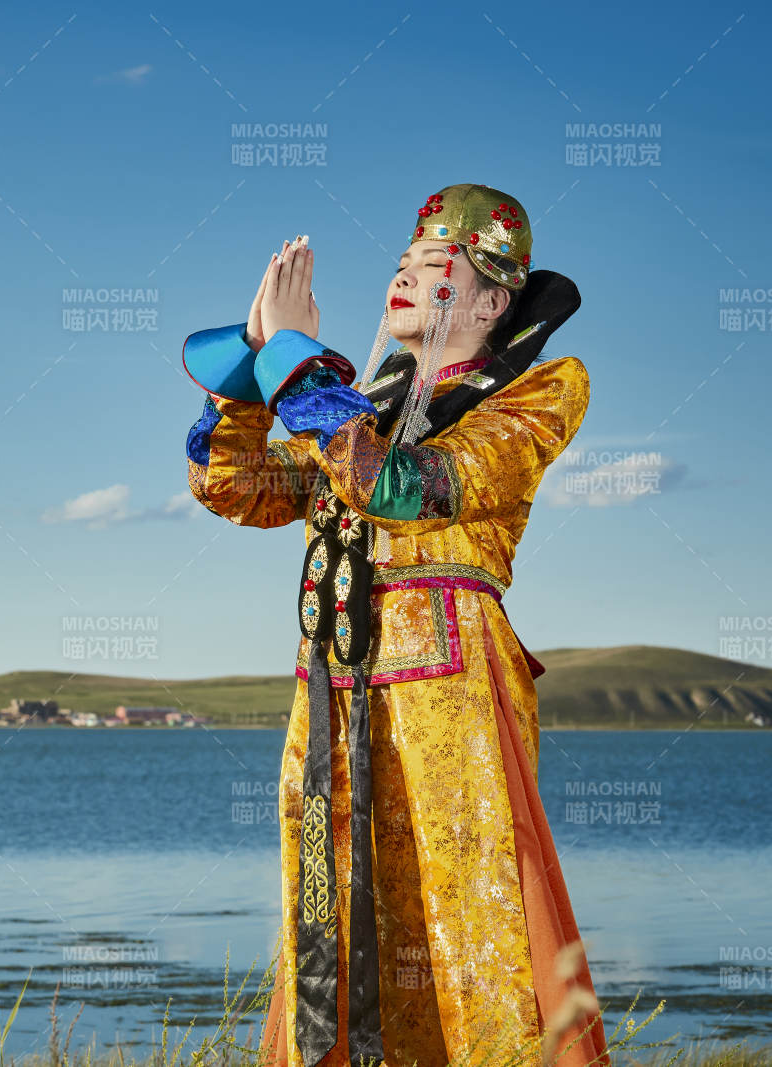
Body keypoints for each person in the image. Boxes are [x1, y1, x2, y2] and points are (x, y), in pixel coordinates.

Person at [182, 184, 610, 1067]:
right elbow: (234, 488)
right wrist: (254, 369)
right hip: (335, 691)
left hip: (451, 695)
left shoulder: (532, 396)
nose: (406, 275)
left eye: (432, 265)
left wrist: (297, 365)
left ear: (493, 300)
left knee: (469, 903)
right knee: (332, 898)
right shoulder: (358, 408)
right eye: (401, 262)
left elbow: (402, 488)